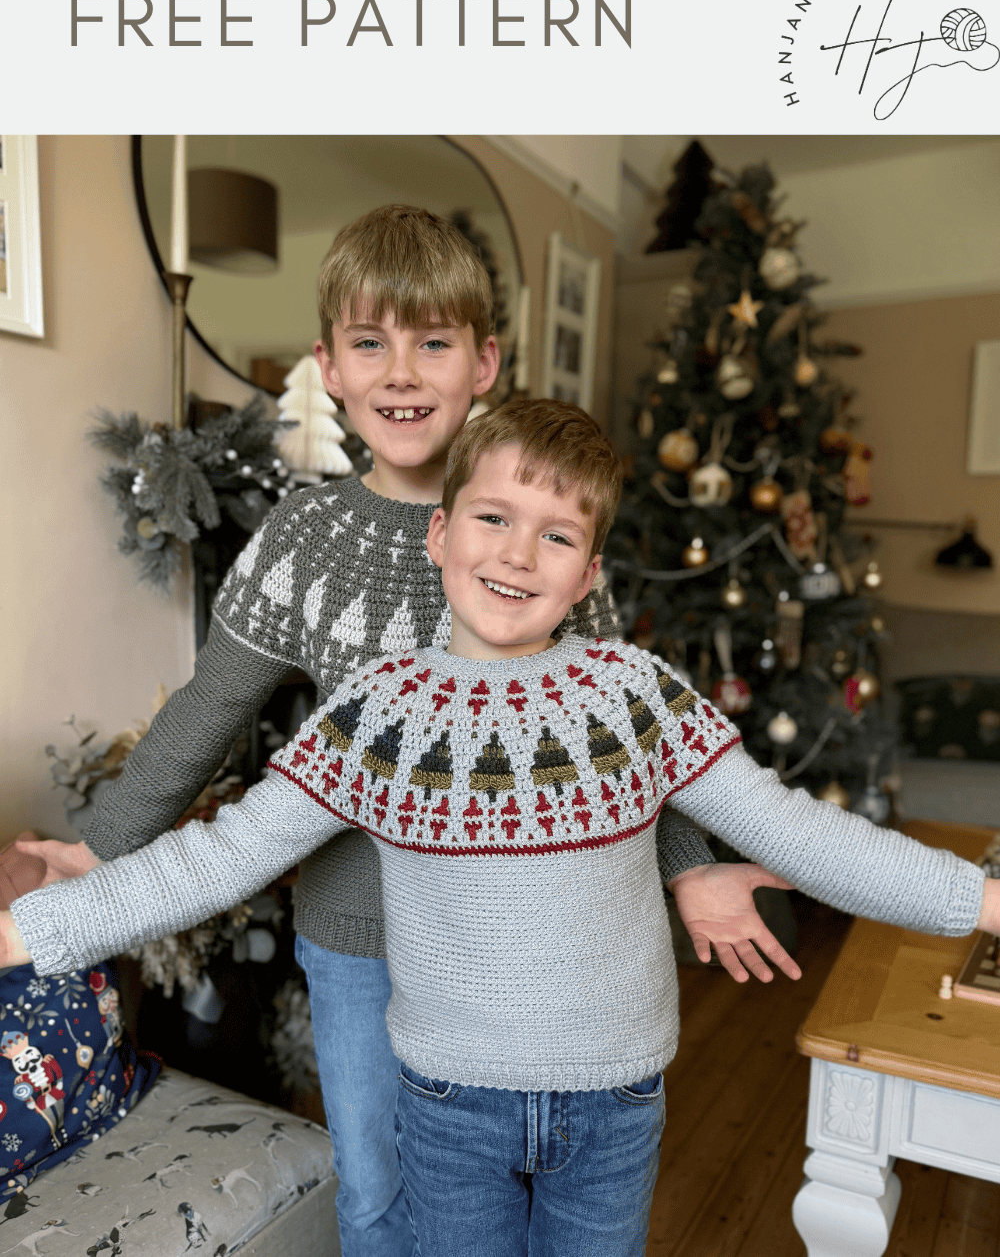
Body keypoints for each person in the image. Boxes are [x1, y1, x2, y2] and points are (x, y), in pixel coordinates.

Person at [5, 398, 997, 1257]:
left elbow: (800, 832)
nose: (518, 553)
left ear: (586, 575)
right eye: (492, 517)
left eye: (555, 536)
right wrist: (37, 932)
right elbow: (222, 857)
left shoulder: (634, 696)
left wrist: (980, 899)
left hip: (614, 1108)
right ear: (440, 536)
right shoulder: (377, 715)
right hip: (448, 1108)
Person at [8, 209, 791, 1257]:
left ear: (484, 363)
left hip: (524, 956)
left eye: (432, 342)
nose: (401, 371)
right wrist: (103, 848)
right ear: (327, 367)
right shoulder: (306, 537)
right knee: (377, 1197)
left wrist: (689, 864)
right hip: (357, 939)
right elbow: (205, 713)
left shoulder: (537, 525)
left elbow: (627, 737)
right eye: (370, 343)